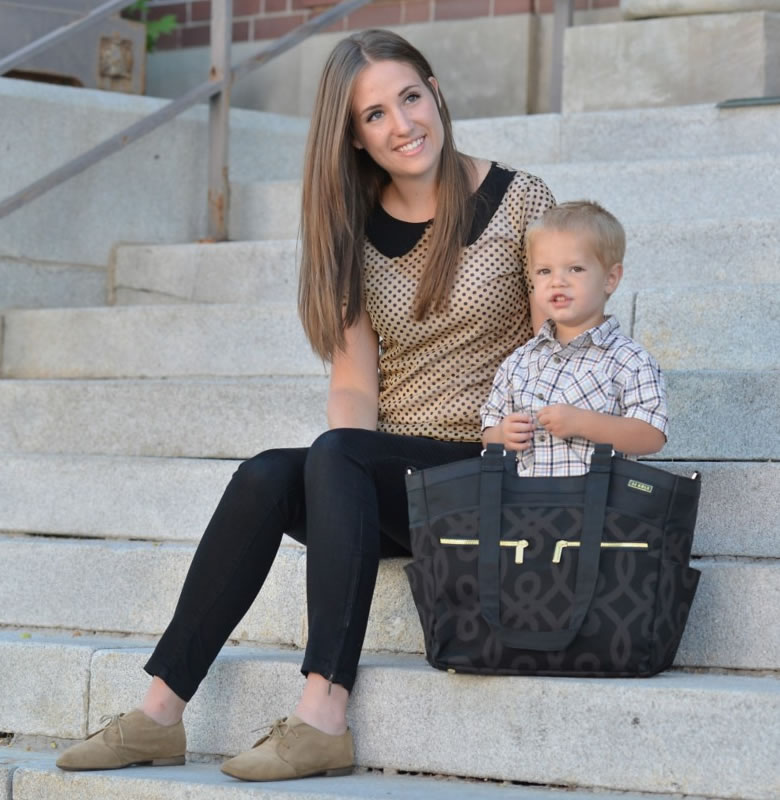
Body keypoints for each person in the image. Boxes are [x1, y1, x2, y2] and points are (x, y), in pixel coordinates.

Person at [55, 29, 555, 781]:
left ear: (436, 92)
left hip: (494, 463)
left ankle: (323, 714)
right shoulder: (352, 231)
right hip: (400, 479)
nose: (403, 124)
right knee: (265, 474)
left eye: (410, 98)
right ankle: (159, 712)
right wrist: (344, 481)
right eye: (376, 115)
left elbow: (560, 346)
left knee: (337, 454)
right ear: (354, 137)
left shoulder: (521, 200)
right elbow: (353, 384)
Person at [481, 200, 668, 475]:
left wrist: (583, 423)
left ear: (610, 278)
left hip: (597, 498)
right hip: (526, 499)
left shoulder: (629, 360)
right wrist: (502, 434)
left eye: (575, 269)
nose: (558, 281)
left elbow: (652, 435)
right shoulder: (519, 361)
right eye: (544, 271)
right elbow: (488, 431)